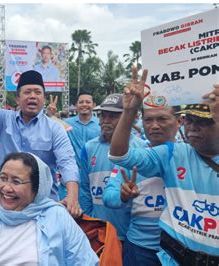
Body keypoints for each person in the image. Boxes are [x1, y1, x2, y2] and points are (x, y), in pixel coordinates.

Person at [109, 67, 219, 264]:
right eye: (191, 120)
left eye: (204, 121)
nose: (193, 127)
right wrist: (129, 110)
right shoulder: (172, 153)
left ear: (177, 122)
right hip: (166, 256)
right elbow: (119, 156)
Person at [0, 43, 81, 217]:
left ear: (44, 98)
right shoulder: (4, 120)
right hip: (6, 202)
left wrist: (72, 196)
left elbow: (67, 162)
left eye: (38, 92)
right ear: (18, 98)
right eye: (27, 92)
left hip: (42, 207)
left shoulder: (55, 129)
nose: (33, 96)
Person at [0, 152, 98, 265]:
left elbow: (85, 261)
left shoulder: (56, 215)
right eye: (3, 178)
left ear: (37, 188)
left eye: (16, 181)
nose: (6, 188)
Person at [103, 103, 182, 266]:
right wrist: (123, 195)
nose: (154, 125)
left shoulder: (190, 155)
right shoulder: (130, 156)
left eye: (162, 119)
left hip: (181, 251)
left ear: (179, 121)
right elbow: (108, 197)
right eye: (148, 120)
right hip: (140, 248)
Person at [79, 93, 146, 243]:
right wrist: (90, 220)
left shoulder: (142, 148)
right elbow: (84, 188)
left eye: (113, 116)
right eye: (103, 116)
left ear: (129, 117)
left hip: (129, 235)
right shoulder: (89, 147)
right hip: (98, 231)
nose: (106, 121)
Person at [65, 92, 100, 163]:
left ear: (94, 105)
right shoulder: (66, 123)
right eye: (81, 102)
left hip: (95, 168)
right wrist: (51, 115)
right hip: (73, 169)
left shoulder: (101, 124)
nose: (84, 104)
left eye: (88, 102)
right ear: (76, 105)